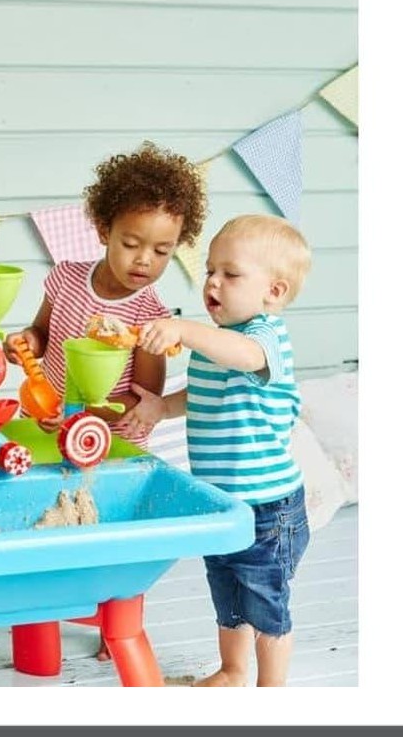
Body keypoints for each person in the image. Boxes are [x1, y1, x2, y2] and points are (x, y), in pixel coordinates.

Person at [4, 141, 207, 661]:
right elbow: (43, 335)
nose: (144, 260)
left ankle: (112, 623)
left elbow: (146, 394)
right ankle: (40, 610)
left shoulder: (151, 313)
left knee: (106, 530)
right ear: (103, 231)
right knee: (45, 515)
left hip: (110, 440)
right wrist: (24, 341)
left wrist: (101, 418)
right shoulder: (67, 278)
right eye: (131, 242)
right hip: (48, 424)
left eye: (161, 251)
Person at [121, 213, 312, 686]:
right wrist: (162, 408)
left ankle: (270, 689)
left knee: (265, 602)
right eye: (209, 270)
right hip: (223, 502)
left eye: (231, 274)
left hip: (268, 509)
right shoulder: (216, 345)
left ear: (275, 292)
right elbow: (208, 392)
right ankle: (231, 670)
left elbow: (242, 357)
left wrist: (182, 330)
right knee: (227, 595)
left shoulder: (264, 338)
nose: (213, 281)